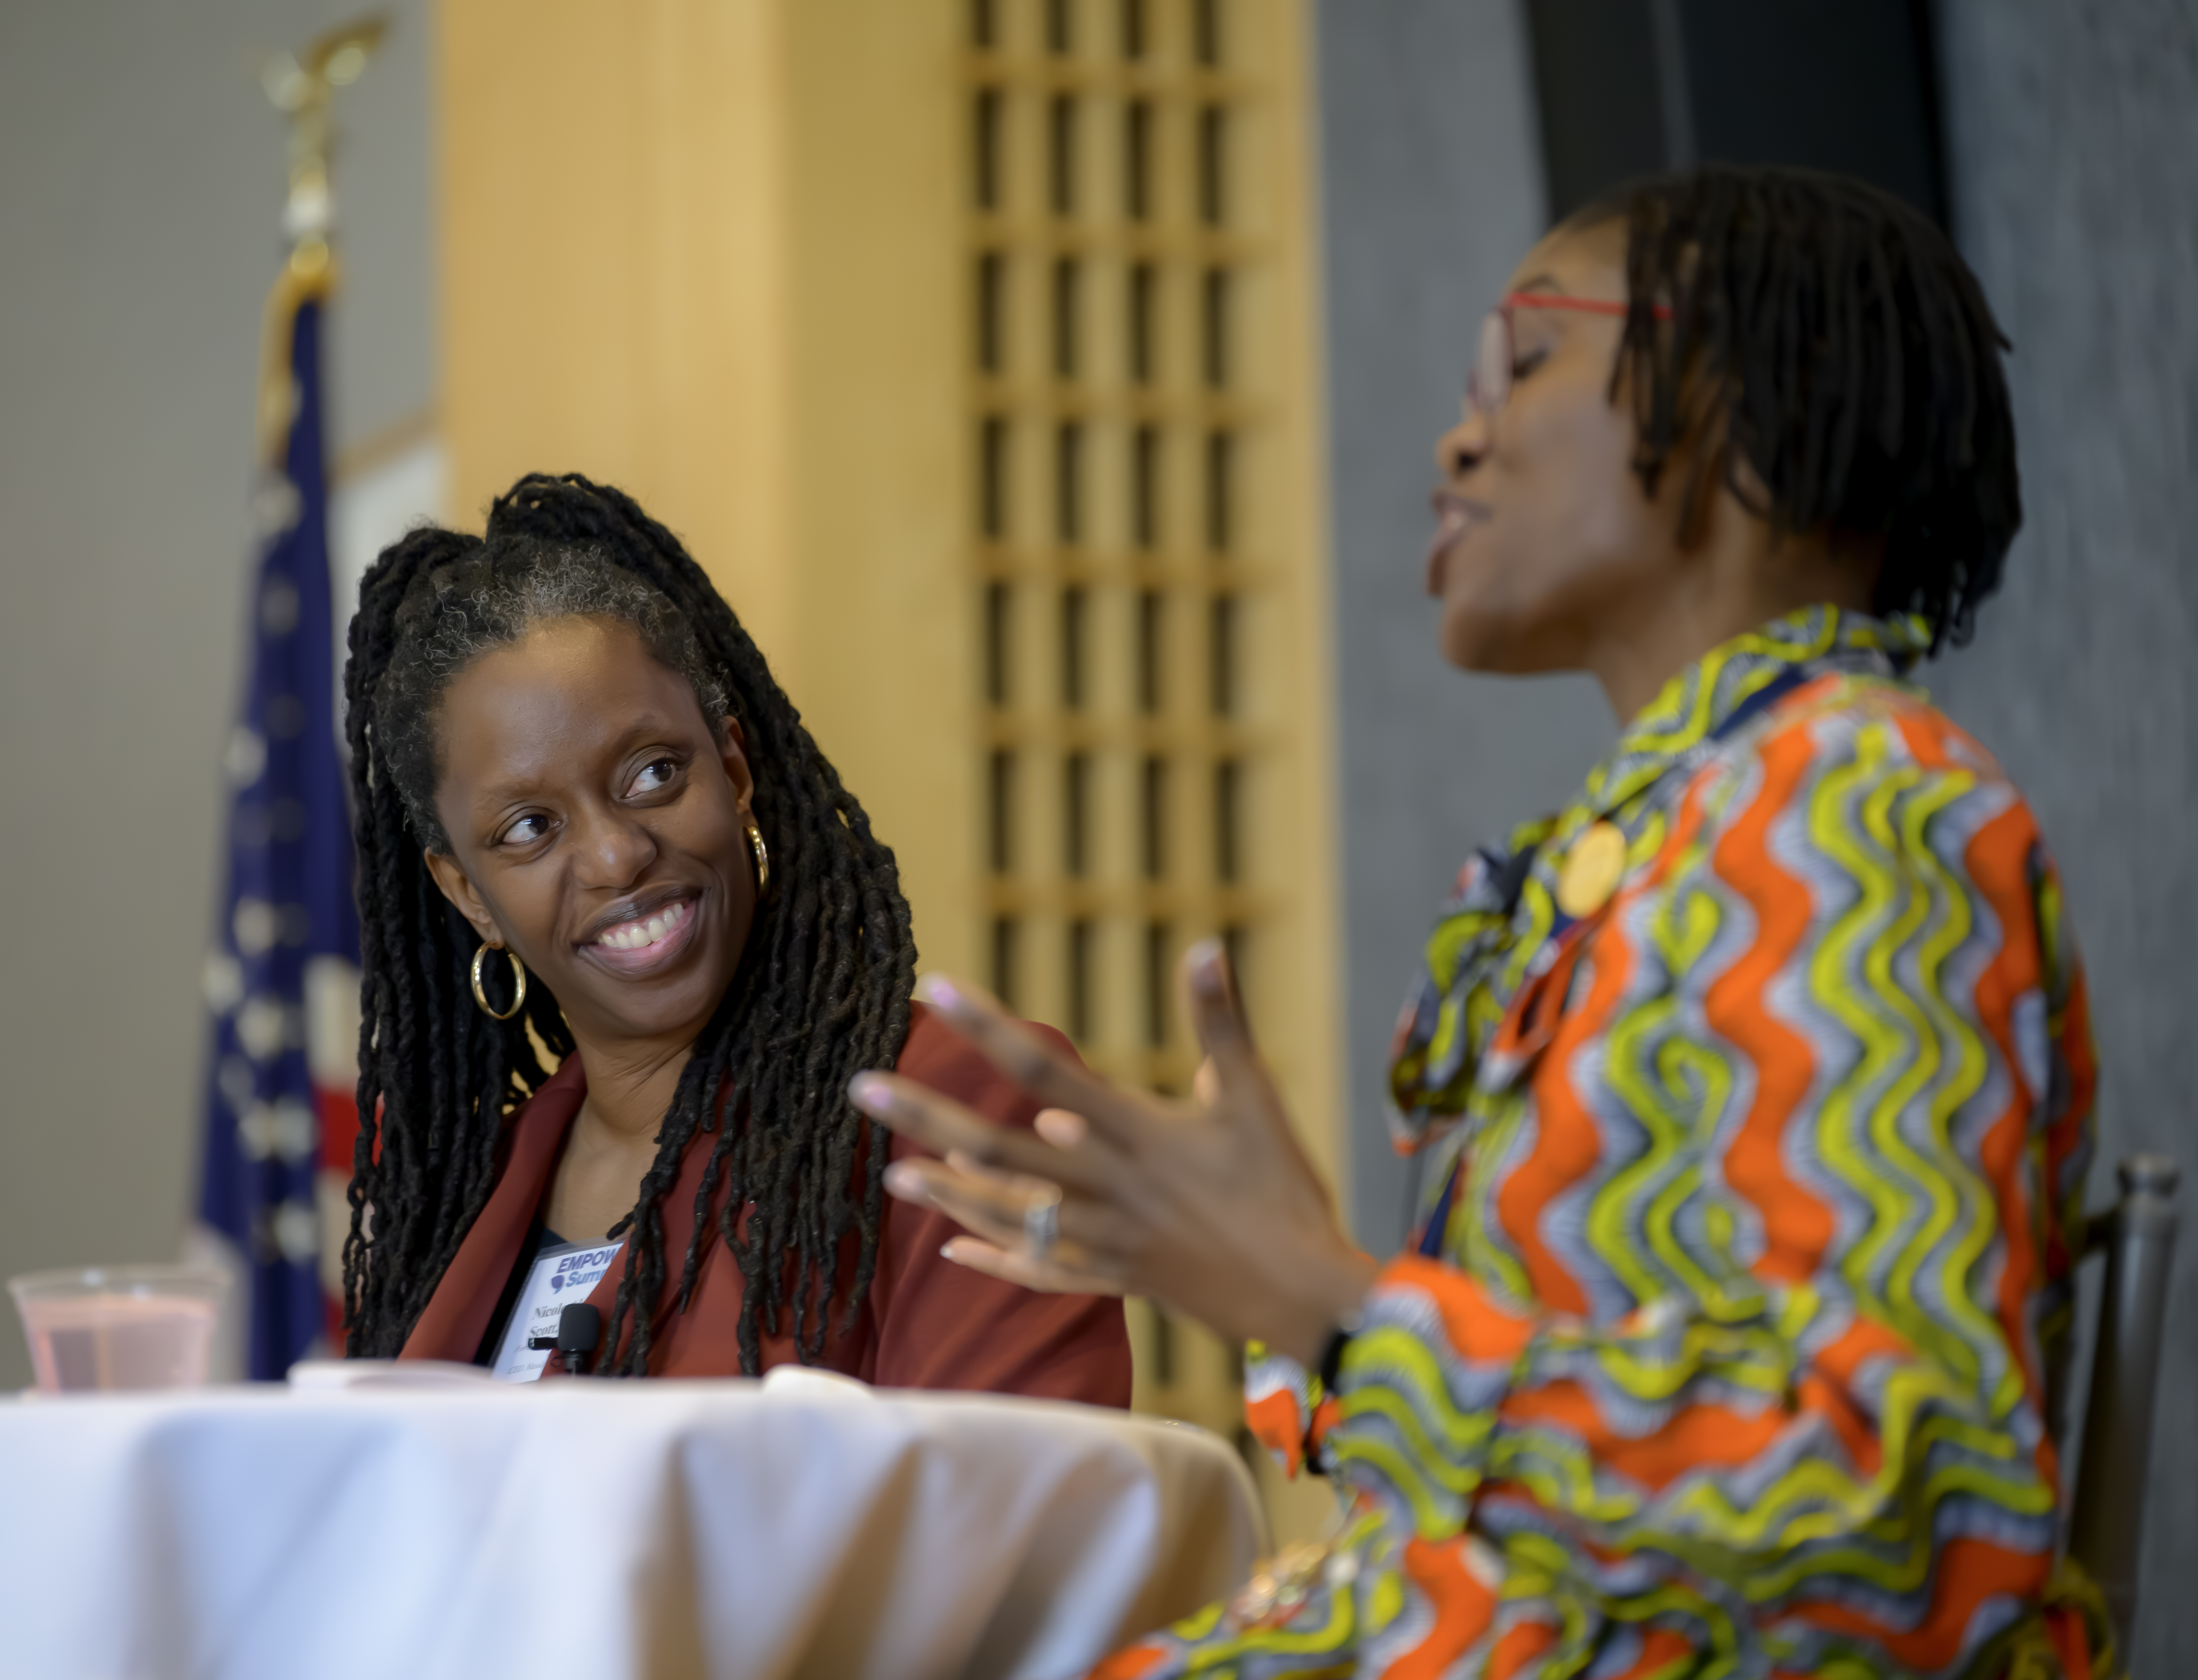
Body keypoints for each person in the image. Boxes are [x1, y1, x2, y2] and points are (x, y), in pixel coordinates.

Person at [854, 167, 2108, 1678]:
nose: (1459, 436)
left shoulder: (1851, 799)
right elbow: (1508, 1455)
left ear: (1743, 392)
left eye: (1526, 361)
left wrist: (1334, 1306)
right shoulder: (1703, 824)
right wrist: (1255, 1283)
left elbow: (1903, 1514)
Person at [339, 472, 1129, 1402]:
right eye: (530, 828)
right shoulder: (468, 1193)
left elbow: (1020, 1487)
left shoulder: (950, 1110)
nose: (617, 855)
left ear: (734, 770)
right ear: (469, 892)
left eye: (653, 773)